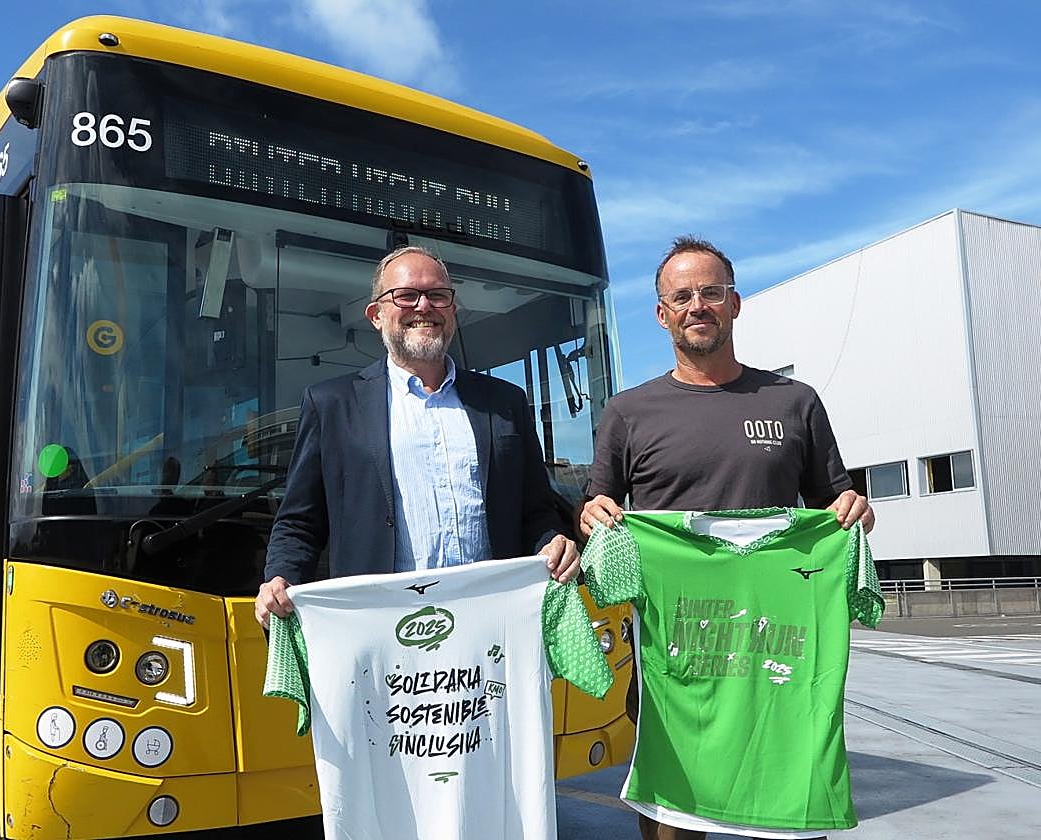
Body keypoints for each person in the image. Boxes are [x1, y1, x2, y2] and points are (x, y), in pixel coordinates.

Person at [578, 235, 874, 840]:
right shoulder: (629, 412)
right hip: (674, 646)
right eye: (681, 296)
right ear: (662, 315)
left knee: (793, 778)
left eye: (710, 293)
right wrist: (593, 518)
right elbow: (598, 509)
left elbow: (834, 505)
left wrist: (853, 512)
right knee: (675, 803)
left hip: (779, 643)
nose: (697, 306)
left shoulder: (795, 402)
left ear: (735, 304)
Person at [255, 246, 579, 626]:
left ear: (453, 311)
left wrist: (553, 543)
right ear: (376, 315)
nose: (424, 306)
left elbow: (535, 511)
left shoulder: (505, 402)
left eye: (438, 295)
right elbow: (299, 522)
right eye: (407, 296)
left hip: (492, 623)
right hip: (380, 628)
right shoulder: (331, 405)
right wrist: (280, 578)